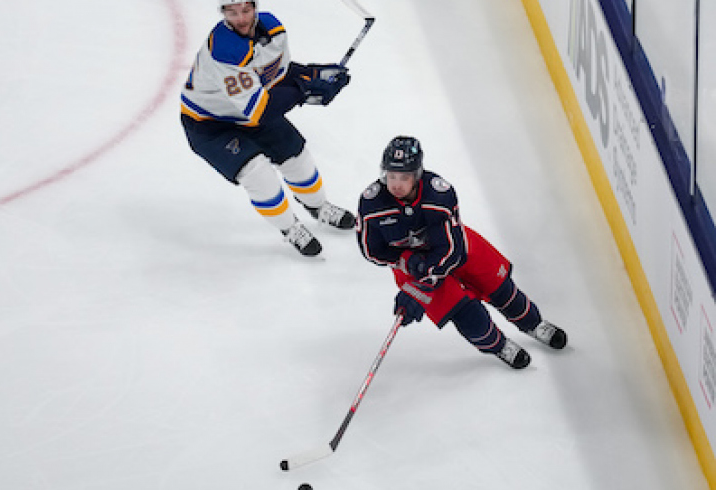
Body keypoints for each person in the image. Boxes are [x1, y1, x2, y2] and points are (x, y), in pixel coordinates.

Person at [356, 136, 568, 369]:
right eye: (391, 175)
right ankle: (499, 346)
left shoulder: (438, 196)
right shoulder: (371, 204)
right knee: (467, 316)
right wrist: (406, 261)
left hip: (455, 251)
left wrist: (421, 285)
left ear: (416, 175)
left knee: (502, 290)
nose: (395, 184)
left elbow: (452, 250)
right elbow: (371, 250)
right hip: (410, 268)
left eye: (404, 177)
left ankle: (533, 324)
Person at [180, 0, 356, 257]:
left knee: (297, 156)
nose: (240, 18)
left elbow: (275, 74)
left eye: (245, 10)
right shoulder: (224, 50)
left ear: (255, 7)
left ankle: (319, 208)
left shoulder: (274, 29)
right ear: (222, 13)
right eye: (232, 12)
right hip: (208, 124)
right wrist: (305, 90)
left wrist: (314, 73)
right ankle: (290, 228)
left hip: (248, 111)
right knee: (257, 172)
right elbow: (259, 112)